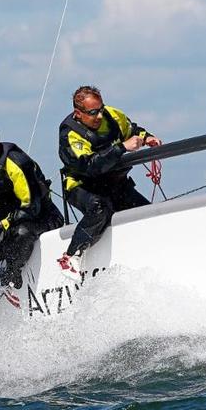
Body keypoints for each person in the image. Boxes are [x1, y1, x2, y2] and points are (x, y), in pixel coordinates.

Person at [57, 85, 162, 280]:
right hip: (82, 186)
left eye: (101, 109)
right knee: (99, 208)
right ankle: (70, 256)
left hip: (114, 184)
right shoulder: (70, 133)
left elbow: (133, 130)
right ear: (78, 114)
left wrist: (147, 138)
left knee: (147, 215)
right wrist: (121, 148)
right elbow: (89, 166)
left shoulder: (113, 116)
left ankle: (156, 255)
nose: (98, 116)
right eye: (92, 112)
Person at [0, 121, 64, 302]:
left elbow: (32, 207)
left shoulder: (15, 162)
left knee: (22, 233)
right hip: (5, 216)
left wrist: (2, 225)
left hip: (41, 214)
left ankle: (7, 279)